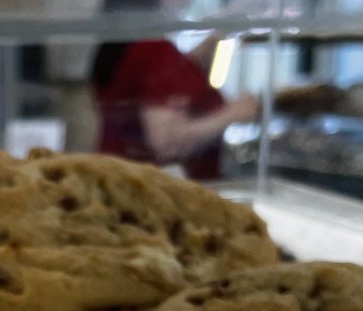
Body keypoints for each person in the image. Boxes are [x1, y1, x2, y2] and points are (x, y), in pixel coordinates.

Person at [91, 0, 259, 180]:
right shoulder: (154, 49)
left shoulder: (123, 46)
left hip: (121, 176)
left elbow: (154, 79)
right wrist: (233, 114)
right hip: (156, 188)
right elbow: (167, 143)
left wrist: (212, 41)